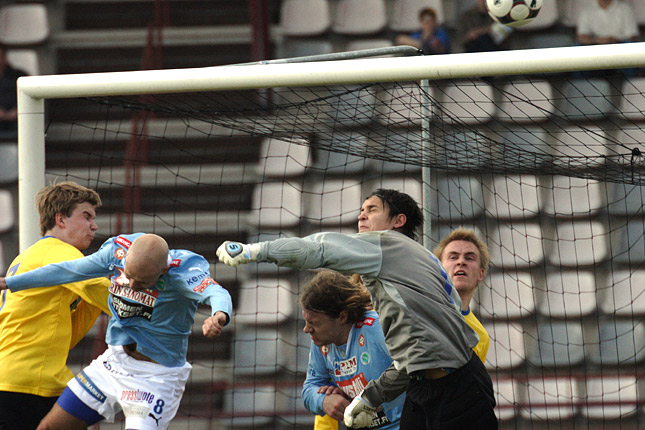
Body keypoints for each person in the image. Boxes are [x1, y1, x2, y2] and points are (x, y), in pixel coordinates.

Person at [217, 188, 497, 430]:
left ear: (398, 222)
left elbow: (320, 248)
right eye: (361, 209)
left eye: (372, 209)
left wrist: (255, 251)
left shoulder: (386, 245)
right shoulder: (417, 264)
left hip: (457, 389)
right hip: (431, 387)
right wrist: (369, 399)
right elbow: (413, 356)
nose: (361, 215)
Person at [0, 232, 233, 430]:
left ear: (163, 270)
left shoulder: (184, 271)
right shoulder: (116, 251)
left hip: (155, 379)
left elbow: (217, 293)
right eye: (128, 276)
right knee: (50, 427)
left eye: (141, 283)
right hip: (113, 364)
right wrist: (10, 283)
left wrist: (218, 315)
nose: (131, 285)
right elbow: (69, 270)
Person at [0, 181, 111, 430]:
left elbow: (64, 337)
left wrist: (94, 304)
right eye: (86, 216)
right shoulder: (60, 252)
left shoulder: (28, 256)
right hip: (30, 385)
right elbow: (108, 295)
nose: (94, 225)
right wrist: (153, 305)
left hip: (13, 379)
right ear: (61, 219)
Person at [302, 270, 404, 430]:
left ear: (342, 317)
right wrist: (324, 400)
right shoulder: (321, 343)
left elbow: (410, 367)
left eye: (313, 323)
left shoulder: (376, 328)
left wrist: (369, 399)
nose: (306, 329)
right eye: (306, 322)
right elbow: (309, 388)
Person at [433, 228, 490, 364]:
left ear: (481, 274)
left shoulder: (480, 336)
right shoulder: (420, 309)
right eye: (453, 257)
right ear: (438, 269)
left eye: (469, 258)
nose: (461, 262)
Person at [0, 44, 27, 138]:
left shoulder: (19, 76)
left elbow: (28, 97)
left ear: (4, 57)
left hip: (18, 119)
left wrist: (17, 111)